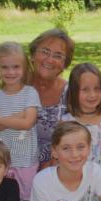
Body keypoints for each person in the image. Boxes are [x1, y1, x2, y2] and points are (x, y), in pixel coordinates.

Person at [0, 41, 41, 201]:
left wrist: (1, 119)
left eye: (16, 67)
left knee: (26, 200)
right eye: (5, 67)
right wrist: (16, 117)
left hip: (25, 159)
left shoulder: (29, 93)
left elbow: (28, 123)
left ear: (24, 68)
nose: (10, 72)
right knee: (4, 197)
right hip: (1, 159)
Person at [30, 121, 101, 201]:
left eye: (80, 147)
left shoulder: (94, 170)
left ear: (89, 148)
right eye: (66, 148)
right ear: (54, 152)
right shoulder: (42, 181)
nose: (74, 154)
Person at [62, 63, 101, 195]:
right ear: (74, 92)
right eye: (85, 89)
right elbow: (58, 160)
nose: (92, 94)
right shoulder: (67, 123)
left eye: (97, 88)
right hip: (80, 193)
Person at [29, 29, 76, 169]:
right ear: (32, 55)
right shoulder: (15, 87)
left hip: (56, 170)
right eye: (44, 52)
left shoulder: (72, 94)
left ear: (64, 64)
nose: (50, 60)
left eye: (58, 55)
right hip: (14, 168)